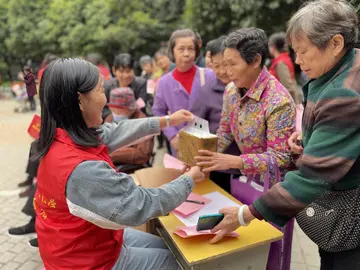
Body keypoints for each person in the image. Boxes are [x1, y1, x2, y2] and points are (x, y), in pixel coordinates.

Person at [199, 1, 360, 269]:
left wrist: (245, 214)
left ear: (335, 43)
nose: (297, 61)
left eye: (303, 51)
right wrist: (307, 141)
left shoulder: (341, 94)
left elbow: (311, 175)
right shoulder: (340, 68)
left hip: (336, 209)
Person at [34, 58, 205, 270]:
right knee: (179, 261)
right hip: (87, 262)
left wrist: (167, 121)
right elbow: (141, 205)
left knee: (167, 245)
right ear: (79, 100)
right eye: (100, 90)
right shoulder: (82, 168)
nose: (105, 100)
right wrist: (189, 179)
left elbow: (115, 131)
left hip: (81, 241)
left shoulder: (62, 137)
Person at [195, 28, 296, 270]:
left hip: (274, 192)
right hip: (244, 184)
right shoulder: (231, 90)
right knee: (241, 251)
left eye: (232, 64)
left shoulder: (277, 101)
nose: (226, 71)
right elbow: (225, 131)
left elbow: (281, 157)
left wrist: (235, 162)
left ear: (256, 60)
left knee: (268, 255)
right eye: (224, 64)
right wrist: (204, 156)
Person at [153, 29, 219, 156]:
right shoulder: (164, 82)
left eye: (191, 49)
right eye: (181, 49)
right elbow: (158, 111)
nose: (186, 54)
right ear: (172, 51)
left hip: (209, 144)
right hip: (180, 146)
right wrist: (172, 136)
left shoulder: (210, 76)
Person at [107, 87, 154, 173]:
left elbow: (142, 154)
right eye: (112, 110)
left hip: (132, 169)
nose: (114, 113)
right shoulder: (110, 118)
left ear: (129, 108)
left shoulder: (142, 122)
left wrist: (112, 154)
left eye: (117, 111)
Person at [102, 53, 153, 122]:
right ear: (114, 70)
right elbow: (102, 107)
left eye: (128, 71)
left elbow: (143, 103)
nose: (125, 75)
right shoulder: (107, 86)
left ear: (133, 70)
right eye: (121, 71)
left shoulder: (142, 83)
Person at [268, 32, 300, 103]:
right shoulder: (285, 58)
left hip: (283, 102)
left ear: (273, 47)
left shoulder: (280, 63)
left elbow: (287, 86)